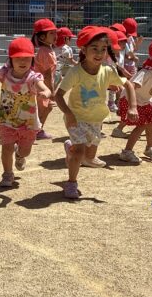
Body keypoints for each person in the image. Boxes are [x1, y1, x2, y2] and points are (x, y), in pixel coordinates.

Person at [55, 26, 138, 199]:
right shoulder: (75, 72)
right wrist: (68, 114)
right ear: (84, 50)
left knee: (89, 157)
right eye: (94, 48)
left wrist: (133, 107)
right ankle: (71, 183)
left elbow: (128, 84)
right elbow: (59, 95)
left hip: (96, 119)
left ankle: (70, 148)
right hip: (76, 118)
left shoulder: (107, 71)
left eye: (103, 49)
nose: (99, 53)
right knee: (80, 153)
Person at [0, 38, 51, 187]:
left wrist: (45, 94)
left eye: (27, 58)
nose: (23, 61)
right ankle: (7, 174)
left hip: (28, 123)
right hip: (8, 120)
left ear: (32, 59)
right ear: (11, 59)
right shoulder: (3, 73)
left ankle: (19, 155)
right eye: (18, 58)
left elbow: (45, 89)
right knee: (6, 148)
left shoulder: (33, 77)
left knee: (26, 151)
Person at [32, 18, 58, 140]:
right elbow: (47, 75)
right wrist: (52, 92)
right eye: (51, 33)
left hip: (40, 86)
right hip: (42, 87)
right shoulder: (46, 52)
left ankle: (38, 130)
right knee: (45, 108)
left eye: (55, 32)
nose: (55, 35)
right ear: (42, 37)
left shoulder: (47, 50)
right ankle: (36, 131)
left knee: (44, 108)